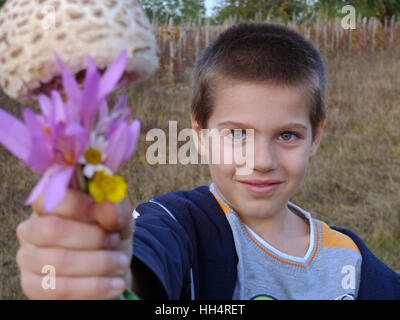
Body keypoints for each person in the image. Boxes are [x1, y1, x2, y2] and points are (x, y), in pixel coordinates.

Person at [16, 22, 400, 300]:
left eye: (287, 135)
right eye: (236, 134)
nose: (262, 161)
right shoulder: (180, 223)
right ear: (199, 136)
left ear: (315, 137)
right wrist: (104, 270)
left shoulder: (350, 260)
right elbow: (144, 260)